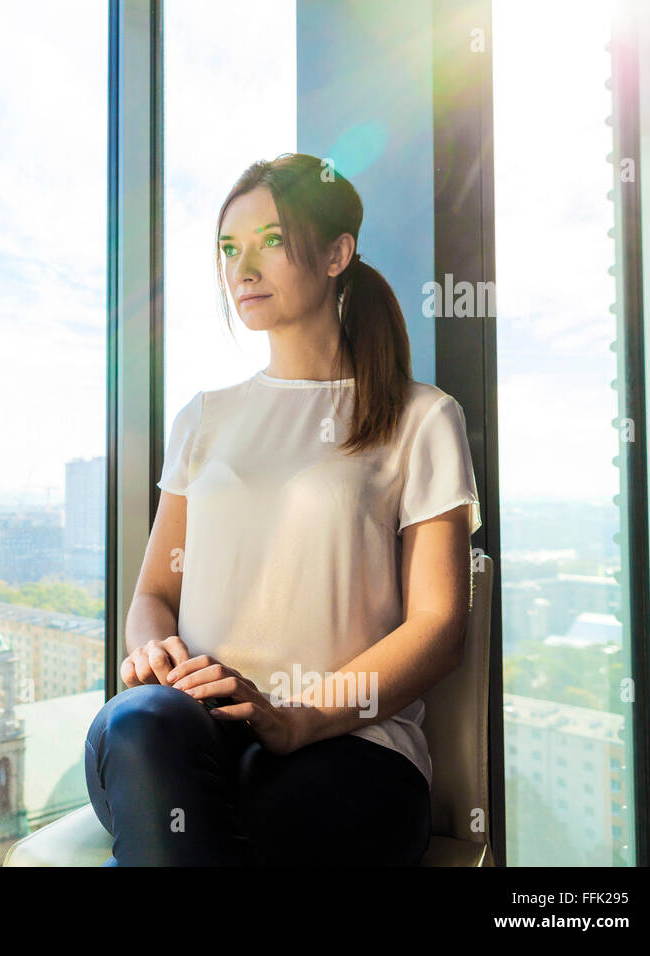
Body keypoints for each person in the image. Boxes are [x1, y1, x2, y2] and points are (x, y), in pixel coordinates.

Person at [84, 153, 482, 867]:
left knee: (204, 832)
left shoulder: (421, 418)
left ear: (337, 253)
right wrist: (152, 651)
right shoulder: (203, 418)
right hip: (182, 736)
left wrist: (298, 719)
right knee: (140, 726)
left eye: (268, 240)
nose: (242, 266)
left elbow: (440, 626)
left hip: (352, 749)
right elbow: (153, 593)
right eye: (229, 248)